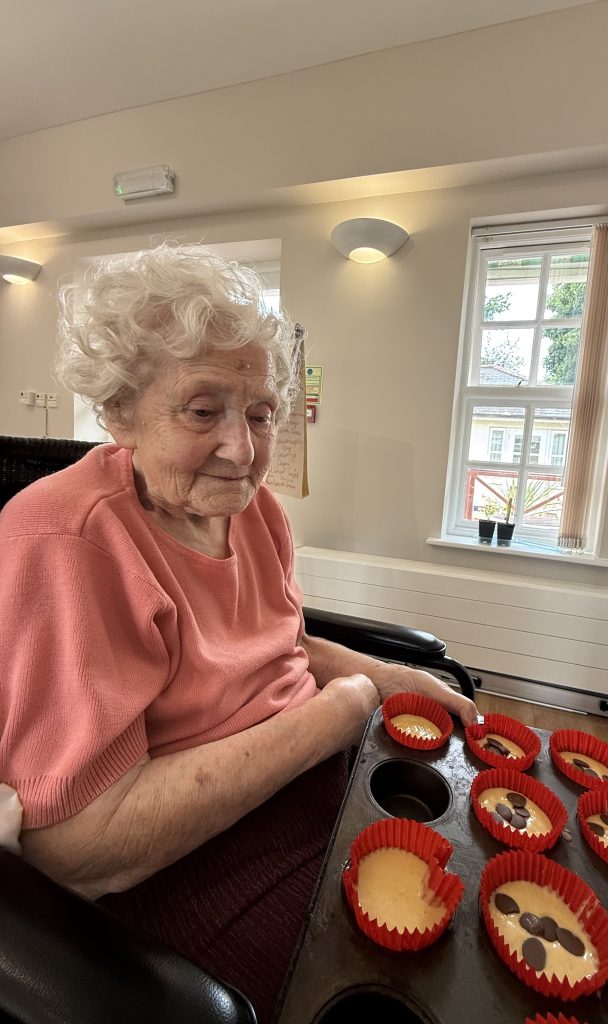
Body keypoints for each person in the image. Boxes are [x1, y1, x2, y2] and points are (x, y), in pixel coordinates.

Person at [0, 243, 477, 1021]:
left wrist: (388, 679)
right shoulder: (67, 541)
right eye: (202, 409)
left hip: (321, 784)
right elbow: (80, 844)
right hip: (186, 870)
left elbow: (273, 644)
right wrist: (340, 710)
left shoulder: (257, 513)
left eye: (260, 414)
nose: (244, 447)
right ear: (119, 409)